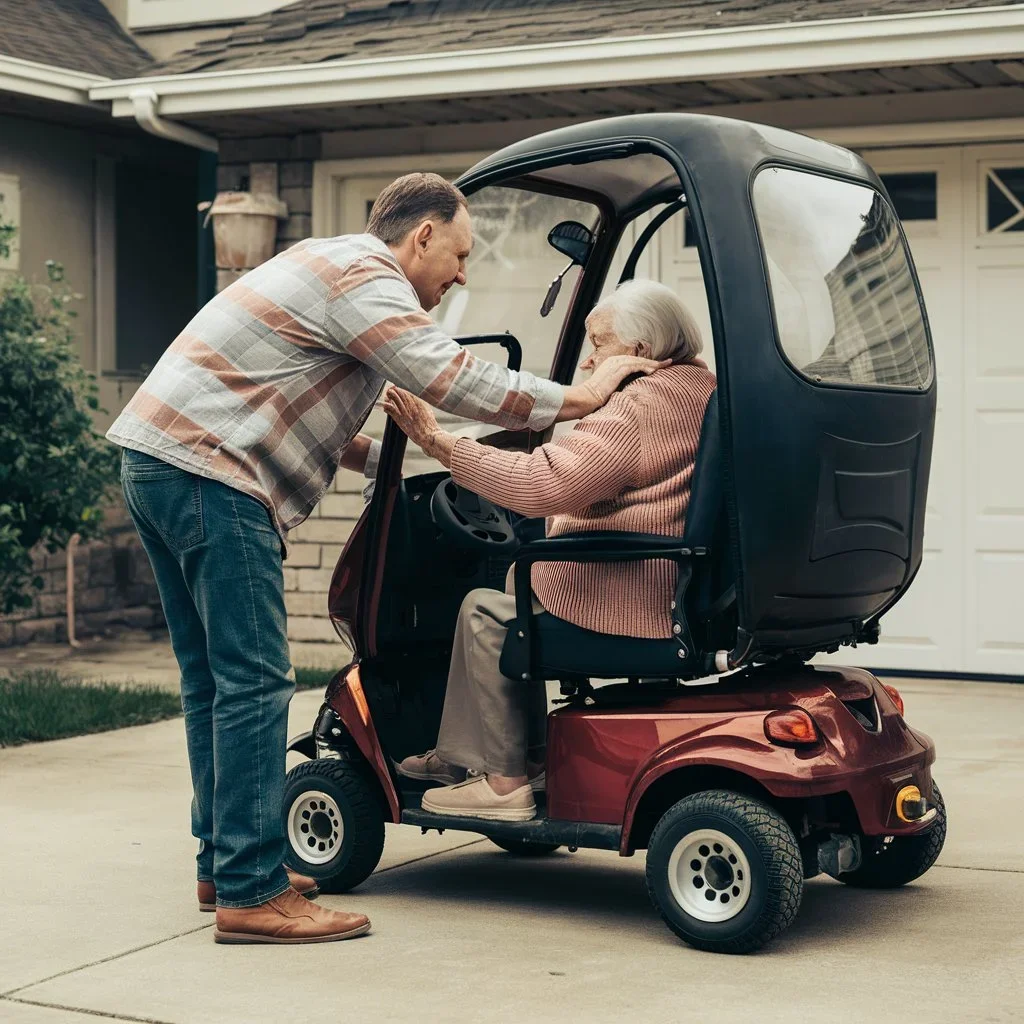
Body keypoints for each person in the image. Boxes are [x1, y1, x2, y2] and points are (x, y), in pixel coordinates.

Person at [107, 173, 664, 944]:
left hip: (161, 459)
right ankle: (250, 893)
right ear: (422, 236)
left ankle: (226, 864)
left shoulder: (329, 270)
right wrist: (585, 396)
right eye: (460, 255)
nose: (463, 273)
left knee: (213, 682)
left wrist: (415, 458)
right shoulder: (365, 275)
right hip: (212, 474)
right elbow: (449, 375)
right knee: (254, 681)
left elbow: (308, 416)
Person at [386, 279, 716, 821]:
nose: (588, 362)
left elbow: (544, 484)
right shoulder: (697, 387)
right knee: (517, 587)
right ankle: (477, 756)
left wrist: (441, 444)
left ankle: (505, 781)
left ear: (638, 353)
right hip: (664, 577)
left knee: (483, 612)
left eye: (598, 344)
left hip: (632, 590)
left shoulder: (641, 405)